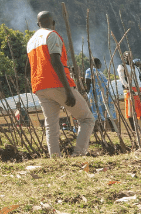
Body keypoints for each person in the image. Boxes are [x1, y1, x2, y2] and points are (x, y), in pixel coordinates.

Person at [26, 10, 94, 157]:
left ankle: (55, 158)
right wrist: (68, 90)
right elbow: (56, 62)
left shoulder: (31, 42)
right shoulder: (52, 35)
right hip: (57, 83)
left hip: (39, 86)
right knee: (87, 119)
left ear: (38, 24)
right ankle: (78, 154)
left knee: (51, 124)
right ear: (53, 23)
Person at [84, 58, 117, 131]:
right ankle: (101, 129)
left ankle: (113, 129)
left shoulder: (100, 72)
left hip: (104, 94)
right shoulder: (89, 70)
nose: (101, 65)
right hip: (96, 94)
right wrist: (89, 94)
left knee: (107, 110)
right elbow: (88, 82)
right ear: (97, 64)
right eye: (100, 63)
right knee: (97, 111)